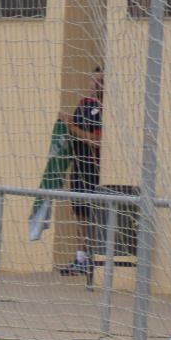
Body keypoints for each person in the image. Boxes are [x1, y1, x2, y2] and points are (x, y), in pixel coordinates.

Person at [57, 66, 103, 275]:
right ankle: (80, 258)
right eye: (93, 80)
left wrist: (71, 126)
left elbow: (95, 140)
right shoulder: (84, 104)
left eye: (100, 81)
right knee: (81, 213)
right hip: (79, 165)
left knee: (96, 212)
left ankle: (94, 257)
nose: (95, 84)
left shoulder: (105, 110)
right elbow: (71, 132)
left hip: (96, 168)